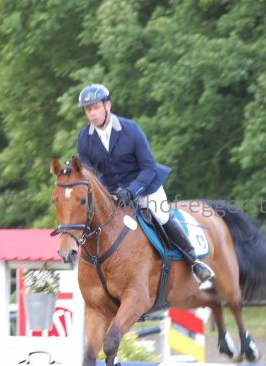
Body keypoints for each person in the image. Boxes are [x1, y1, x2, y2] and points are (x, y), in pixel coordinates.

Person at [76, 83, 214, 283]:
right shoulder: (84, 138)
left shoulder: (130, 129)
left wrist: (131, 191)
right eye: (88, 109)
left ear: (108, 106)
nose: (92, 113)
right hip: (111, 192)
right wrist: (104, 193)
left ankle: (194, 262)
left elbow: (148, 167)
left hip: (144, 187)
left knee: (161, 215)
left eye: (96, 107)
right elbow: (88, 175)